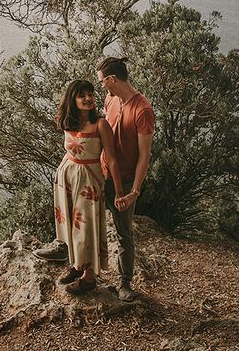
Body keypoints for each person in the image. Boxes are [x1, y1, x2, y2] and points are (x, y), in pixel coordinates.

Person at [34, 79, 124, 294]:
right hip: (68, 177)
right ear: (72, 100)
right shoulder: (69, 121)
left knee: (86, 228)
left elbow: (111, 160)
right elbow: (72, 149)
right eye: (82, 95)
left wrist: (119, 191)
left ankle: (89, 277)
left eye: (91, 94)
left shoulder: (100, 124)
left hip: (89, 181)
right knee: (71, 225)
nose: (88, 99)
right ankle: (77, 265)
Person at [97, 56, 155, 302]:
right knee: (88, 223)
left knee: (124, 233)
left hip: (126, 182)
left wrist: (134, 191)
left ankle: (124, 283)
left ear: (111, 79)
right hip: (102, 175)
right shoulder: (110, 99)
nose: (101, 86)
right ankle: (85, 271)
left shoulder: (143, 110)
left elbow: (145, 156)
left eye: (102, 82)